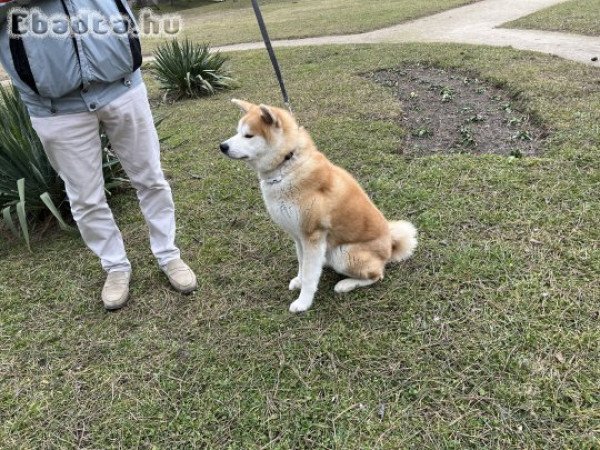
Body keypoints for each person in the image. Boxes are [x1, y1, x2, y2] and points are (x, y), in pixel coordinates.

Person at [0, 0, 197, 310]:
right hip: (53, 107)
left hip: (123, 86)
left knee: (151, 179)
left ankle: (169, 255)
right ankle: (116, 266)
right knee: (85, 198)